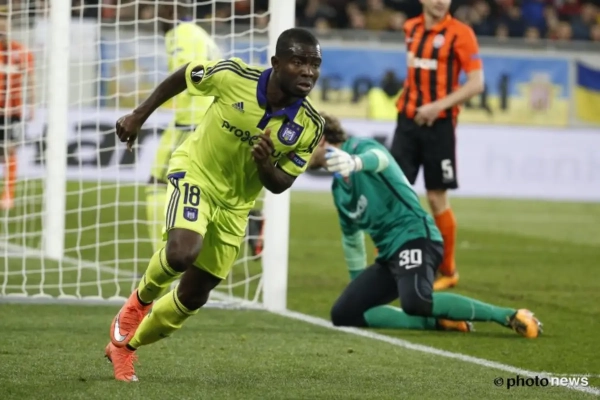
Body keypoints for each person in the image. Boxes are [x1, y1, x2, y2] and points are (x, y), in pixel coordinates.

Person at [104, 28, 324, 382]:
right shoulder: (234, 76)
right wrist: (138, 115)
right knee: (181, 253)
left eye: (314, 65)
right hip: (197, 175)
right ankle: (138, 303)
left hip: (236, 207)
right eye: (298, 62)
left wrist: (265, 165)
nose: (308, 72)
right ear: (276, 62)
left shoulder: (310, 125)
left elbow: (281, 184)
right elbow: (185, 74)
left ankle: (125, 348)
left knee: (193, 296)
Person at [308, 113, 542, 337]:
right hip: (389, 256)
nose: (297, 153)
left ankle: (508, 315)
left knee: (416, 301)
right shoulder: (339, 190)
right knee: (345, 313)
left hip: (416, 236)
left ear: (321, 139)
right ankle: (439, 321)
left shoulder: (358, 147)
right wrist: (358, 287)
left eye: (302, 144)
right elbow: (352, 239)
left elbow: (381, 159)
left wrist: (355, 162)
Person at [391, 0, 485, 290]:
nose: (441, 1)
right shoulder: (410, 28)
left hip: (440, 125)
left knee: (436, 198)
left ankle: (448, 270)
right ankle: (389, 263)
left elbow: (476, 83)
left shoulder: (461, 33)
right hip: (407, 121)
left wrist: (438, 106)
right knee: (394, 195)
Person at [145, 1, 222, 254]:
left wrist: (144, 110)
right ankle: (251, 219)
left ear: (171, 11)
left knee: (158, 184)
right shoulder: (200, 33)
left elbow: (184, 76)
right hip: (209, 117)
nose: (157, 19)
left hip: (191, 121)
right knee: (202, 189)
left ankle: (161, 260)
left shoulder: (178, 34)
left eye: (160, 12)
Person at [0, 7, 34, 210]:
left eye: (5, 23)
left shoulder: (21, 51)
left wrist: (32, 104)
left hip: (12, 111)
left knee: (9, 150)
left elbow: (30, 79)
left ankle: (8, 195)